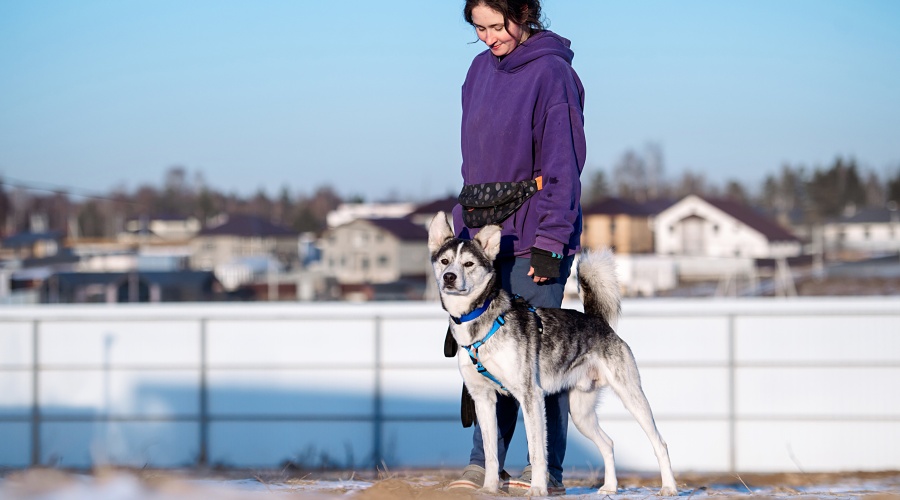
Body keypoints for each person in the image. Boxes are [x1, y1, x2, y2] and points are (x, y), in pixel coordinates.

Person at [446, 0, 586, 495]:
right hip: (482, 243)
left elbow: (564, 163)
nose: (488, 37)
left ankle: (545, 471)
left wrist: (552, 240)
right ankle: (485, 465)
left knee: (538, 362)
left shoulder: (552, 74)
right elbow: (473, 166)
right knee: (483, 354)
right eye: (478, 28)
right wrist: (462, 229)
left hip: (535, 239)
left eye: (495, 25)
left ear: (523, 12)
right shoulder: (477, 72)